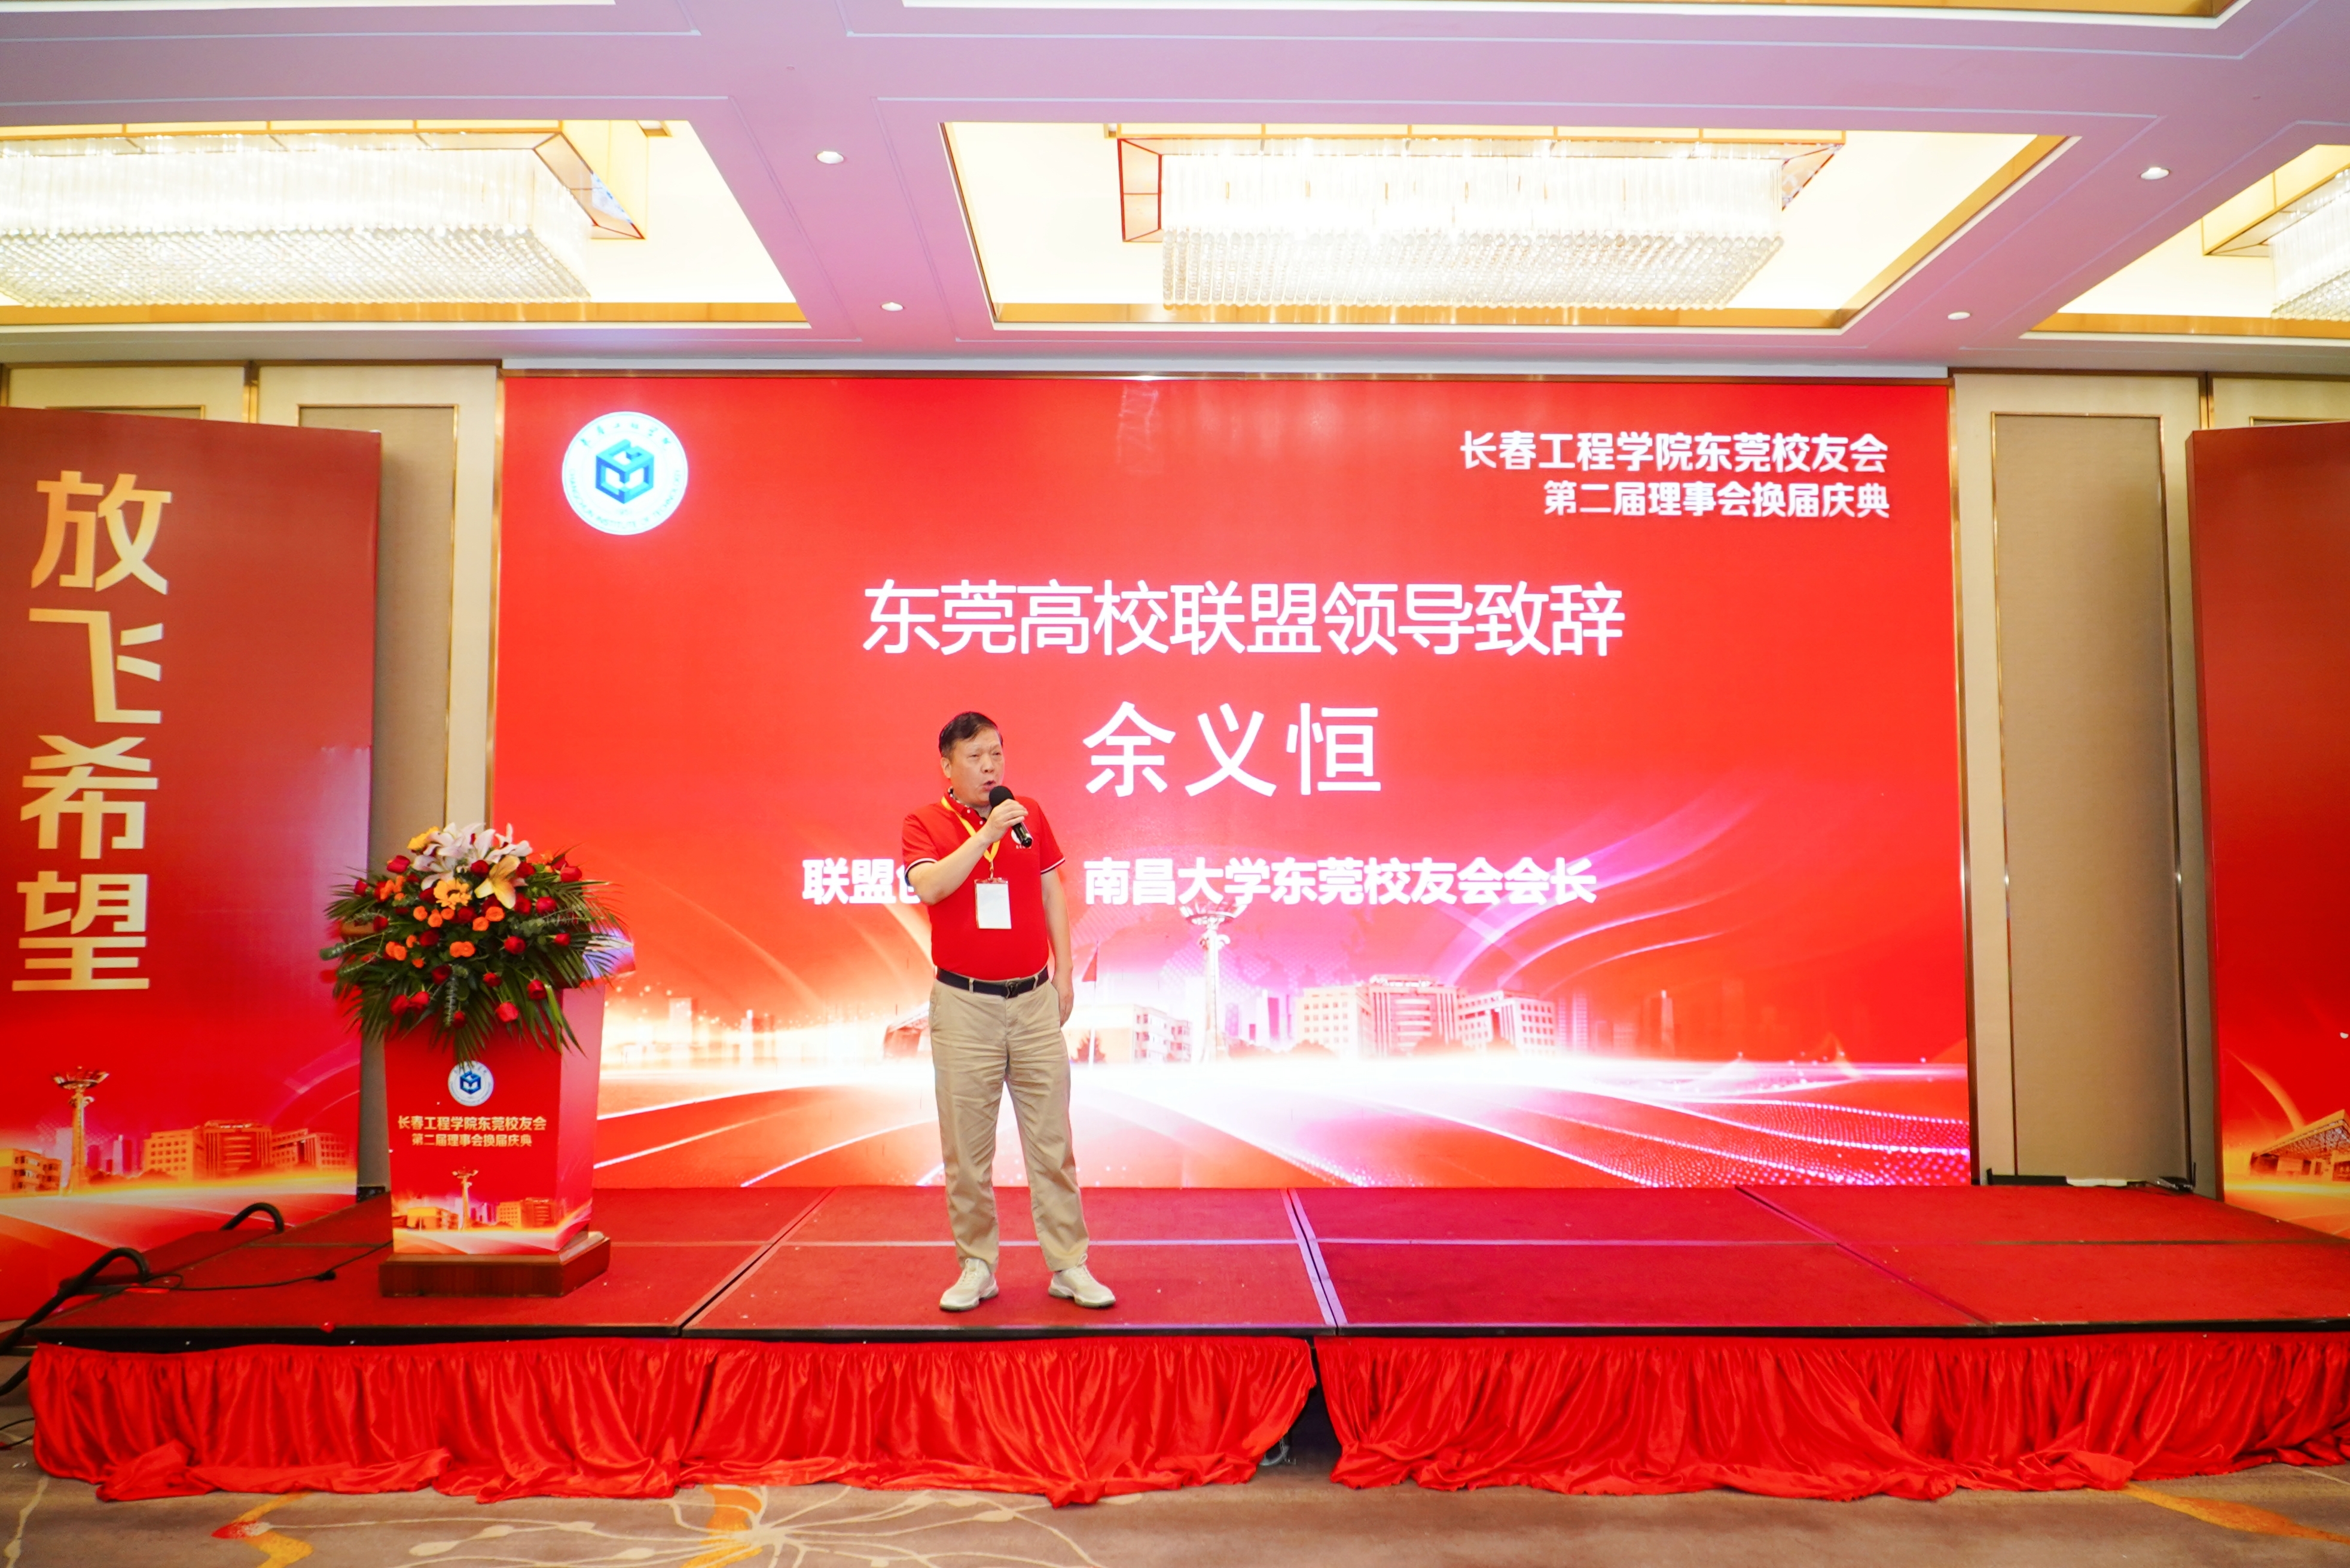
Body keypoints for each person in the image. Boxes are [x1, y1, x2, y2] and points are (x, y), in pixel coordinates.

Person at [902, 711, 1114, 1313]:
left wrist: (1065, 974)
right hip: (964, 1005)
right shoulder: (924, 823)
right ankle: (977, 1265)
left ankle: (1069, 1264)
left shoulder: (1029, 814)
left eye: (996, 753)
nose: (990, 766)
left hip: (1033, 1000)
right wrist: (984, 834)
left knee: (1053, 1143)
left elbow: (1051, 891)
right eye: (975, 756)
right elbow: (932, 887)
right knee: (966, 1151)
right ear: (947, 765)